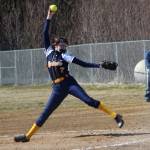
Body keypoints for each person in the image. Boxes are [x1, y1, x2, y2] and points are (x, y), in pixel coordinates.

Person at [14, 8, 124, 143]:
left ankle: (116, 116)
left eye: (65, 43)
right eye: (61, 42)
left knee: (89, 101)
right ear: (55, 44)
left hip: (69, 84)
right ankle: (27, 136)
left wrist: (99, 65)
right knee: (46, 113)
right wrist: (49, 17)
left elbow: (83, 64)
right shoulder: (48, 52)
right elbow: (44, 33)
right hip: (57, 88)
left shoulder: (65, 56)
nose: (63, 44)